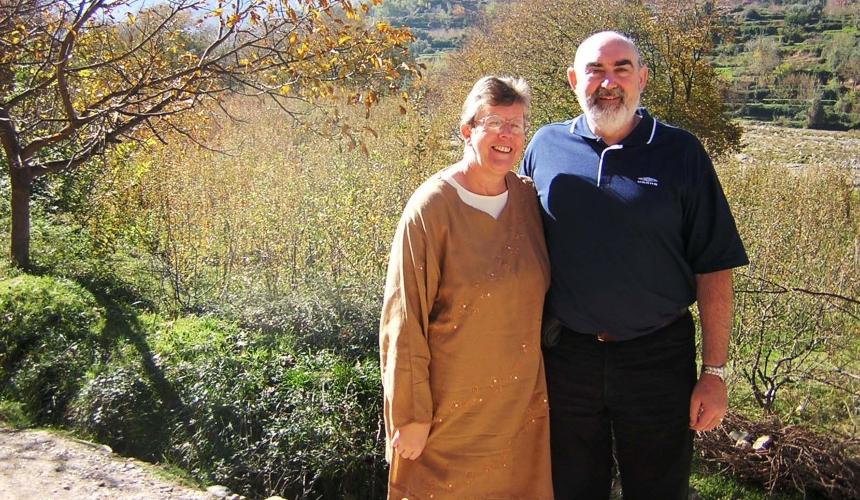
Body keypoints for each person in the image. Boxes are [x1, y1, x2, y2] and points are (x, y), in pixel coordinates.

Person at [520, 31, 748, 499]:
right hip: (566, 358)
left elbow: (714, 268)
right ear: (573, 80)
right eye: (595, 71)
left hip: (657, 358)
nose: (609, 82)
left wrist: (715, 373)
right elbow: (511, 240)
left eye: (621, 69)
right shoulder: (544, 147)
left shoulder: (681, 152)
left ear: (641, 78)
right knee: (569, 489)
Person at [379, 76, 553, 499]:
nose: (507, 135)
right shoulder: (432, 207)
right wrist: (410, 416)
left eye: (516, 125)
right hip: (447, 420)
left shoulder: (529, 201)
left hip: (520, 415)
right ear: (466, 130)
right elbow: (404, 320)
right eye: (494, 123)